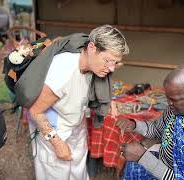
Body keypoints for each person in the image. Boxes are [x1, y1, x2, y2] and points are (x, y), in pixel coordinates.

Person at [29, 25, 129, 180]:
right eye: (108, 61)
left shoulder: (93, 65)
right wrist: (56, 143)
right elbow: (35, 111)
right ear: (91, 48)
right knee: (56, 173)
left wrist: (108, 101)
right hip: (54, 127)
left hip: (74, 122)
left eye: (115, 63)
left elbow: (84, 89)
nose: (112, 68)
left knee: (79, 170)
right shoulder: (62, 71)